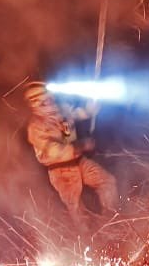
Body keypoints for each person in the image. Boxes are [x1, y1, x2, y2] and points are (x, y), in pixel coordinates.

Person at [23, 81, 119, 224]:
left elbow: (77, 113)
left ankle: (113, 222)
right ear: (34, 105)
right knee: (76, 209)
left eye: (48, 99)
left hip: (79, 161)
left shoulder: (61, 112)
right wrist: (81, 146)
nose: (48, 103)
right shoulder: (35, 128)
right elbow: (55, 151)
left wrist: (90, 108)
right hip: (60, 171)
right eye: (42, 102)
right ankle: (87, 239)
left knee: (108, 182)